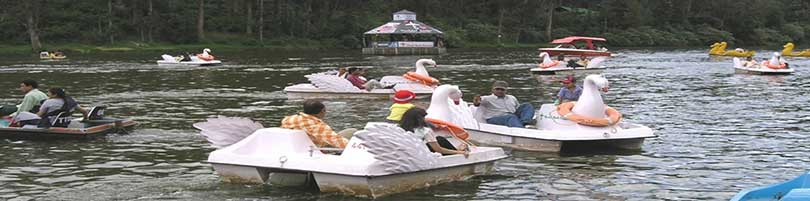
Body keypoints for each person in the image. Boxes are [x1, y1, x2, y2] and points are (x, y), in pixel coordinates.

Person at [281, 100, 354, 149]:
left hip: (297, 146)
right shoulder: (316, 126)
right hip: (317, 148)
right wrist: (354, 147)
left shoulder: (288, 119)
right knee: (352, 131)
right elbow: (336, 140)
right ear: (322, 111)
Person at [399, 107, 468, 157]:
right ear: (420, 119)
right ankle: (457, 150)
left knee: (438, 140)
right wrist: (460, 152)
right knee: (440, 139)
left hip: (409, 152)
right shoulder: (425, 131)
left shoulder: (401, 128)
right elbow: (438, 149)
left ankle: (456, 149)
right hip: (421, 154)